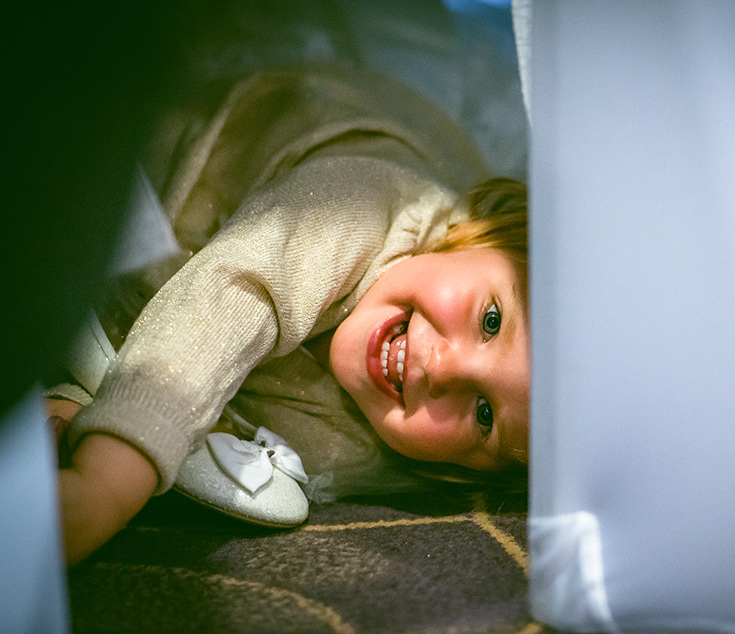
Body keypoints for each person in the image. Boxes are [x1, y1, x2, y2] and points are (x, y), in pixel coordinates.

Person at [51, 65, 530, 565]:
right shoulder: (368, 208)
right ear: (487, 234)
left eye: (484, 415)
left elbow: (220, 429)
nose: (444, 369)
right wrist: (105, 484)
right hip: (129, 149)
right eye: (491, 321)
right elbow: (230, 302)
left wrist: (78, 405)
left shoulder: (392, 457)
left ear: (470, 471)